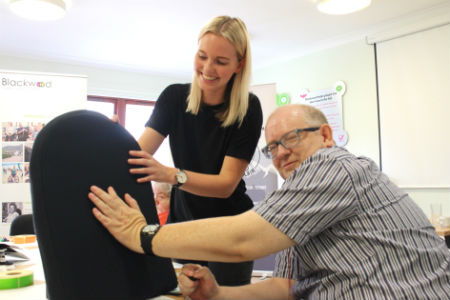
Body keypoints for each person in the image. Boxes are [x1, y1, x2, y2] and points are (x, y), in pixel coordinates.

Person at [88, 103, 450, 299]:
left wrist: (143, 234)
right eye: (272, 147)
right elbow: (287, 287)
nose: (280, 154)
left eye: (289, 139)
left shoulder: (336, 165)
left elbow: (243, 239)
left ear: (325, 135)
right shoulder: (299, 207)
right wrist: (218, 294)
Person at [124, 15, 263, 286]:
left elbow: (225, 185)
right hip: (185, 224)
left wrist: (170, 175)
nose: (208, 68)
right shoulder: (174, 98)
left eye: (221, 62)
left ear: (239, 65)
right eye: (202, 56)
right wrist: (109, 138)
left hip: (231, 227)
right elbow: (137, 153)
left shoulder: (248, 108)